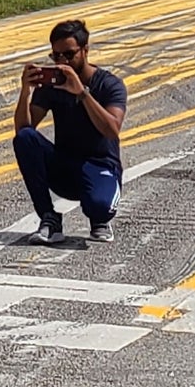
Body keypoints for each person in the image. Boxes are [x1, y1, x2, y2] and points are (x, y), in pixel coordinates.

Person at [11, 18, 126, 246]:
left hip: (100, 164)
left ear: (85, 51)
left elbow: (112, 130)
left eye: (69, 55)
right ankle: (49, 217)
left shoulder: (109, 85)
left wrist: (82, 93)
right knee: (25, 139)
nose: (63, 62)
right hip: (65, 165)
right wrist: (25, 92)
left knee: (100, 207)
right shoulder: (52, 85)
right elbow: (24, 129)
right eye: (56, 56)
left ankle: (99, 219)